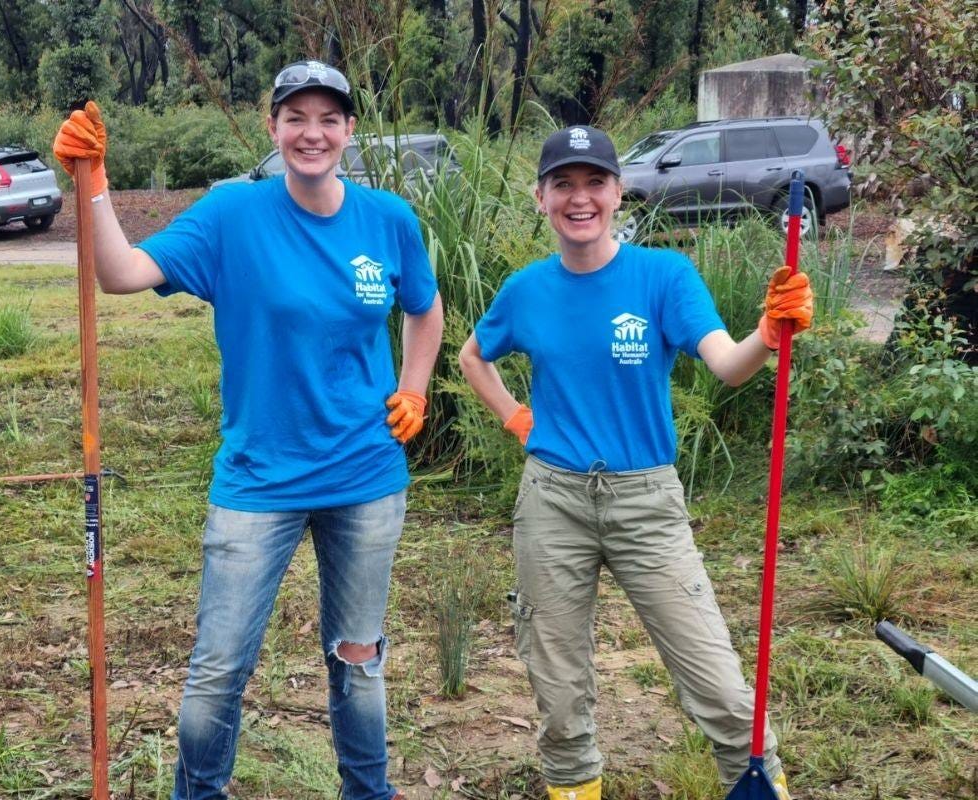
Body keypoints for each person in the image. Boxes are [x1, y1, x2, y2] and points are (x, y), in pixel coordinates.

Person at [53, 60, 444, 800]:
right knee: (219, 668)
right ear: (273, 128)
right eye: (296, 117)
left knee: (358, 660)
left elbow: (425, 308)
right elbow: (121, 273)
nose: (312, 132)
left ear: (349, 130)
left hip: (366, 475)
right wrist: (94, 180)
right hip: (258, 481)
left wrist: (414, 388)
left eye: (329, 118)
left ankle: (370, 792)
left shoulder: (388, 219)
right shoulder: (232, 215)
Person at [458, 126, 812, 800]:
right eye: (564, 184)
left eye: (595, 183)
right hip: (553, 500)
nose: (580, 198)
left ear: (620, 193)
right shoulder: (527, 290)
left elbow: (726, 365)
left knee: (718, 682)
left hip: (645, 501)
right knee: (559, 690)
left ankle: (759, 784)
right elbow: (474, 356)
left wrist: (765, 335)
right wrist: (515, 417)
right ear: (541, 198)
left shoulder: (663, 276)